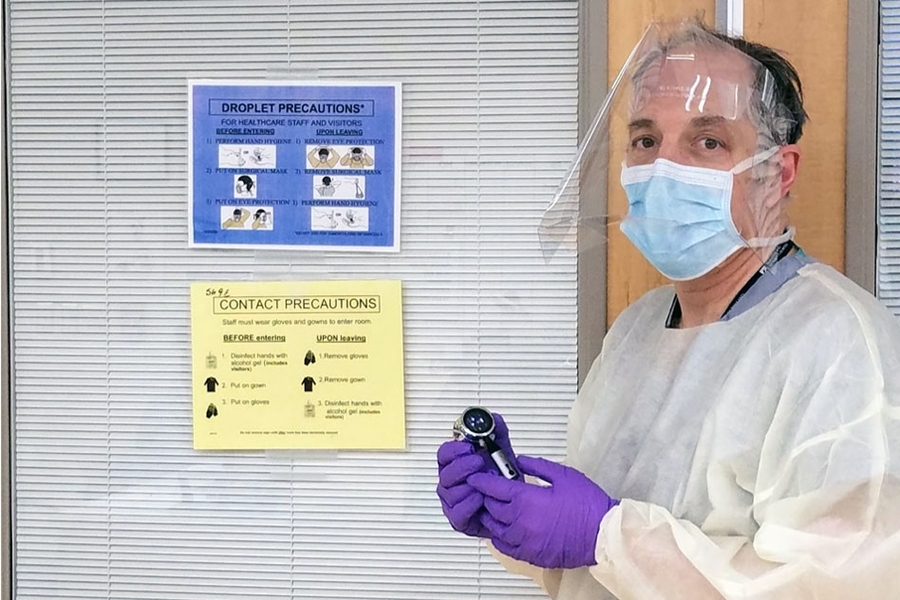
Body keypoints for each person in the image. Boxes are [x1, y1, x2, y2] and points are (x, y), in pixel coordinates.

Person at [436, 20, 900, 600]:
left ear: (776, 175)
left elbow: (834, 584)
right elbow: (597, 564)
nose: (663, 168)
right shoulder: (639, 328)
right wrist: (511, 514)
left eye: (708, 142)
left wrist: (605, 535)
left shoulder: (839, 345)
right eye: (646, 141)